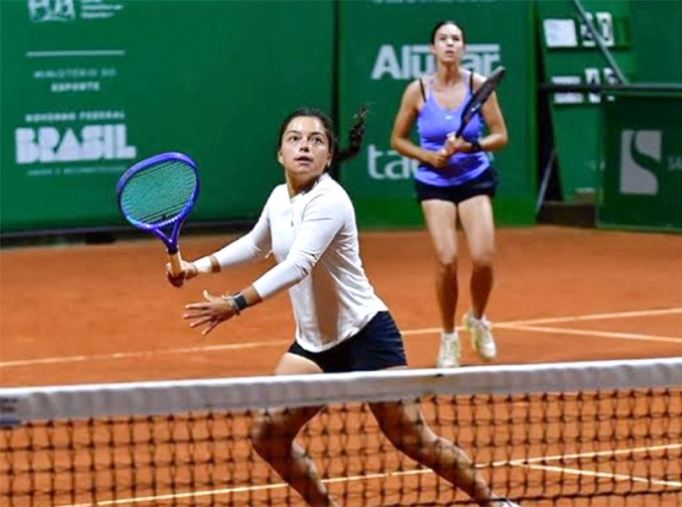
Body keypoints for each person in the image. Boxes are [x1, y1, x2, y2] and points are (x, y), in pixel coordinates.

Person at [171, 107, 519, 507]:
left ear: (329, 157)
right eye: (295, 139)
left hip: (365, 334)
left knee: (412, 438)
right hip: (315, 345)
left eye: (316, 140)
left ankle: (492, 502)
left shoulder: (330, 200)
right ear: (280, 153)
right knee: (268, 436)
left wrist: (235, 303)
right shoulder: (279, 198)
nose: (304, 146)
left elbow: (298, 265)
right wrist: (195, 267)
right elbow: (255, 244)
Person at [390, 20, 508, 369]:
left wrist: (469, 146)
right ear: (433, 48)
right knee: (446, 260)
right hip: (434, 182)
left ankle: (477, 319)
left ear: (464, 48)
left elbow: (500, 135)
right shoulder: (417, 91)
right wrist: (428, 156)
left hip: (474, 178)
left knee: (483, 258)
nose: (450, 44)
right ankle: (448, 336)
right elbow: (397, 140)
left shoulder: (479, 85)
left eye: (456, 39)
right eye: (443, 39)